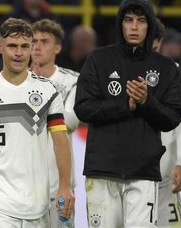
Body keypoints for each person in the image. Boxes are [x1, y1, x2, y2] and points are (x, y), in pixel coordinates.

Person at [0, 17, 75, 228]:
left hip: (37, 202)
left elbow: (60, 140)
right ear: (0, 47)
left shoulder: (48, 92)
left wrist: (65, 186)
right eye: (12, 46)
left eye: (24, 46)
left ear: (31, 48)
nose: (18, 53)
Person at [74, 0, 181, 227]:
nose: (134, 27)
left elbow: (172, 118)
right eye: (128, 20)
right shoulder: (98, 59)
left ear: (149, 26)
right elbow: (83, 108)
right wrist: (125, 105)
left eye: (141, 21)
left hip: (143, 172)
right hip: (102, 171)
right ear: (120, 24)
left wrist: (145, 101)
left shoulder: (166, 68)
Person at [31, 18, 79, 227]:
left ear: (58, 47)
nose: (37, 46)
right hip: (24, 186)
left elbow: (72, 121)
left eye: (45, 41)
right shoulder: (16, 82)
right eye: (33, 41)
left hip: (59, 185)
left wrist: (42, 90)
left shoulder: (72, 80)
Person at [153, 17, 181, 227]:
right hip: (131, 171)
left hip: (166, 173)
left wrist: (180, 161)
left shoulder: (175, 73)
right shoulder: (119, 70)